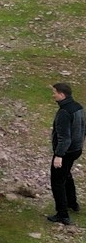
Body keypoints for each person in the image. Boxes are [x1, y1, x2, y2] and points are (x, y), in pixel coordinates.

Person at [47, 82, 85, 225]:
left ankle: (62, 214)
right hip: (76, 149)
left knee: (57, 181)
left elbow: (64, 138)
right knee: (66, 175)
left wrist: (59, 155)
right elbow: (83, 129)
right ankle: (72, 203)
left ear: (62, 95)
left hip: (66, 152)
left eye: (55, 92)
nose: (53, 95)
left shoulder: (64, 112)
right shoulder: (78, 107)